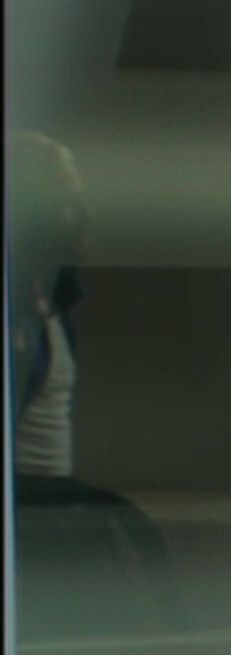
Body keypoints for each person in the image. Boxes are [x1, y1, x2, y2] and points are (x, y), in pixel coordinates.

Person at [7, 130, 90, 478]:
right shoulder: (12, 310)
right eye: (67, 199)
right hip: (24, 500)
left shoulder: (56, 299)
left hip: (50, 500)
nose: (84, 213)